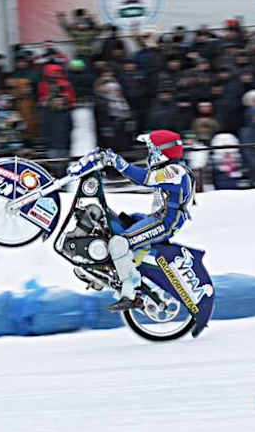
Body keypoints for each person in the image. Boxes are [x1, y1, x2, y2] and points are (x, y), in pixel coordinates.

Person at [68, 130, 194, 310]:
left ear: (162, 151)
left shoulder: (175, 171)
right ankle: (107, 271)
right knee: (114, 224)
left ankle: (130, 292)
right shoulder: (172, 169)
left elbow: (144, 179)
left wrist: (116, 161)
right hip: (159, 217)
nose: (149, 154)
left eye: (151, 150)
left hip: (167, 221)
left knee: (120, 242)